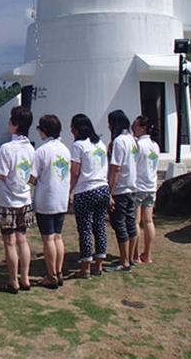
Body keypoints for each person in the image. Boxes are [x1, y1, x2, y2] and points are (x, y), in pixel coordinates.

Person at [0, 106, 36, 293]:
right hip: (24, 197)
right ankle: (25, 278)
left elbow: (1, 173)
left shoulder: (7, 148)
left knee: (9, 242)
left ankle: (13, 280)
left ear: (15, 124)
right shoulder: (31, 148)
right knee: (22, 240)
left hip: (7, 200)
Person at [30, 114, 71, 289]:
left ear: (44, 131)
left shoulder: (42, 151)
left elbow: (32, 177)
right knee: (57, 237)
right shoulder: (65, 149)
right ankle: (58, 271)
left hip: (46, 199)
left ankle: (51, 274)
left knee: (48, 239)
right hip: (61, 198)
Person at [69, 114, 110, 279]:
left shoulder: (78, 145)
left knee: (85, 229)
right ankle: (98, 264)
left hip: (86, 189)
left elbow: (75, 171)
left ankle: (85, 266)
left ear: (77, 128)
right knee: (99, 227)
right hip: (102, 188)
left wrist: (69, 191)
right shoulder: (99, 143)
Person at [106, 110, 138, 272]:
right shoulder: (132, 140)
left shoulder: (119, 141)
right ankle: (130, 258)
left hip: (121, 188)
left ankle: (124, 260)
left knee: (120, 224)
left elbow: (115, 169)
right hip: (132, 186)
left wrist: (109, 191)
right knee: (130, 223)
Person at [131, 115, 160, 264]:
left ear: (142, 128)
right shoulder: (155, 145)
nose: (133, 128)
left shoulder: (138, 145)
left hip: (138, 186)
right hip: (151, 185)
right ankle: (147, 254)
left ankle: (135, 255)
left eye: (135, 126)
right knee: (148, 221)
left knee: (136, 221)